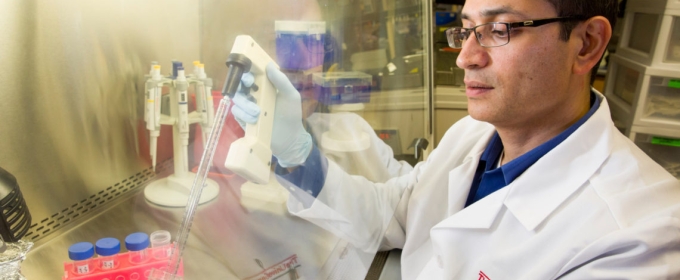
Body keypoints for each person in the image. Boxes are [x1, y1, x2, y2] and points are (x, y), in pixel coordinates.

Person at [231, 0, 680, 278]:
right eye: (466, 29)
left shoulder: (641, 239)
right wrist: (298, 154)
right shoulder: (475, 134)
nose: (465, 56)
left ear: (586, 44)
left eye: (499, 28)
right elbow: (395, 212)